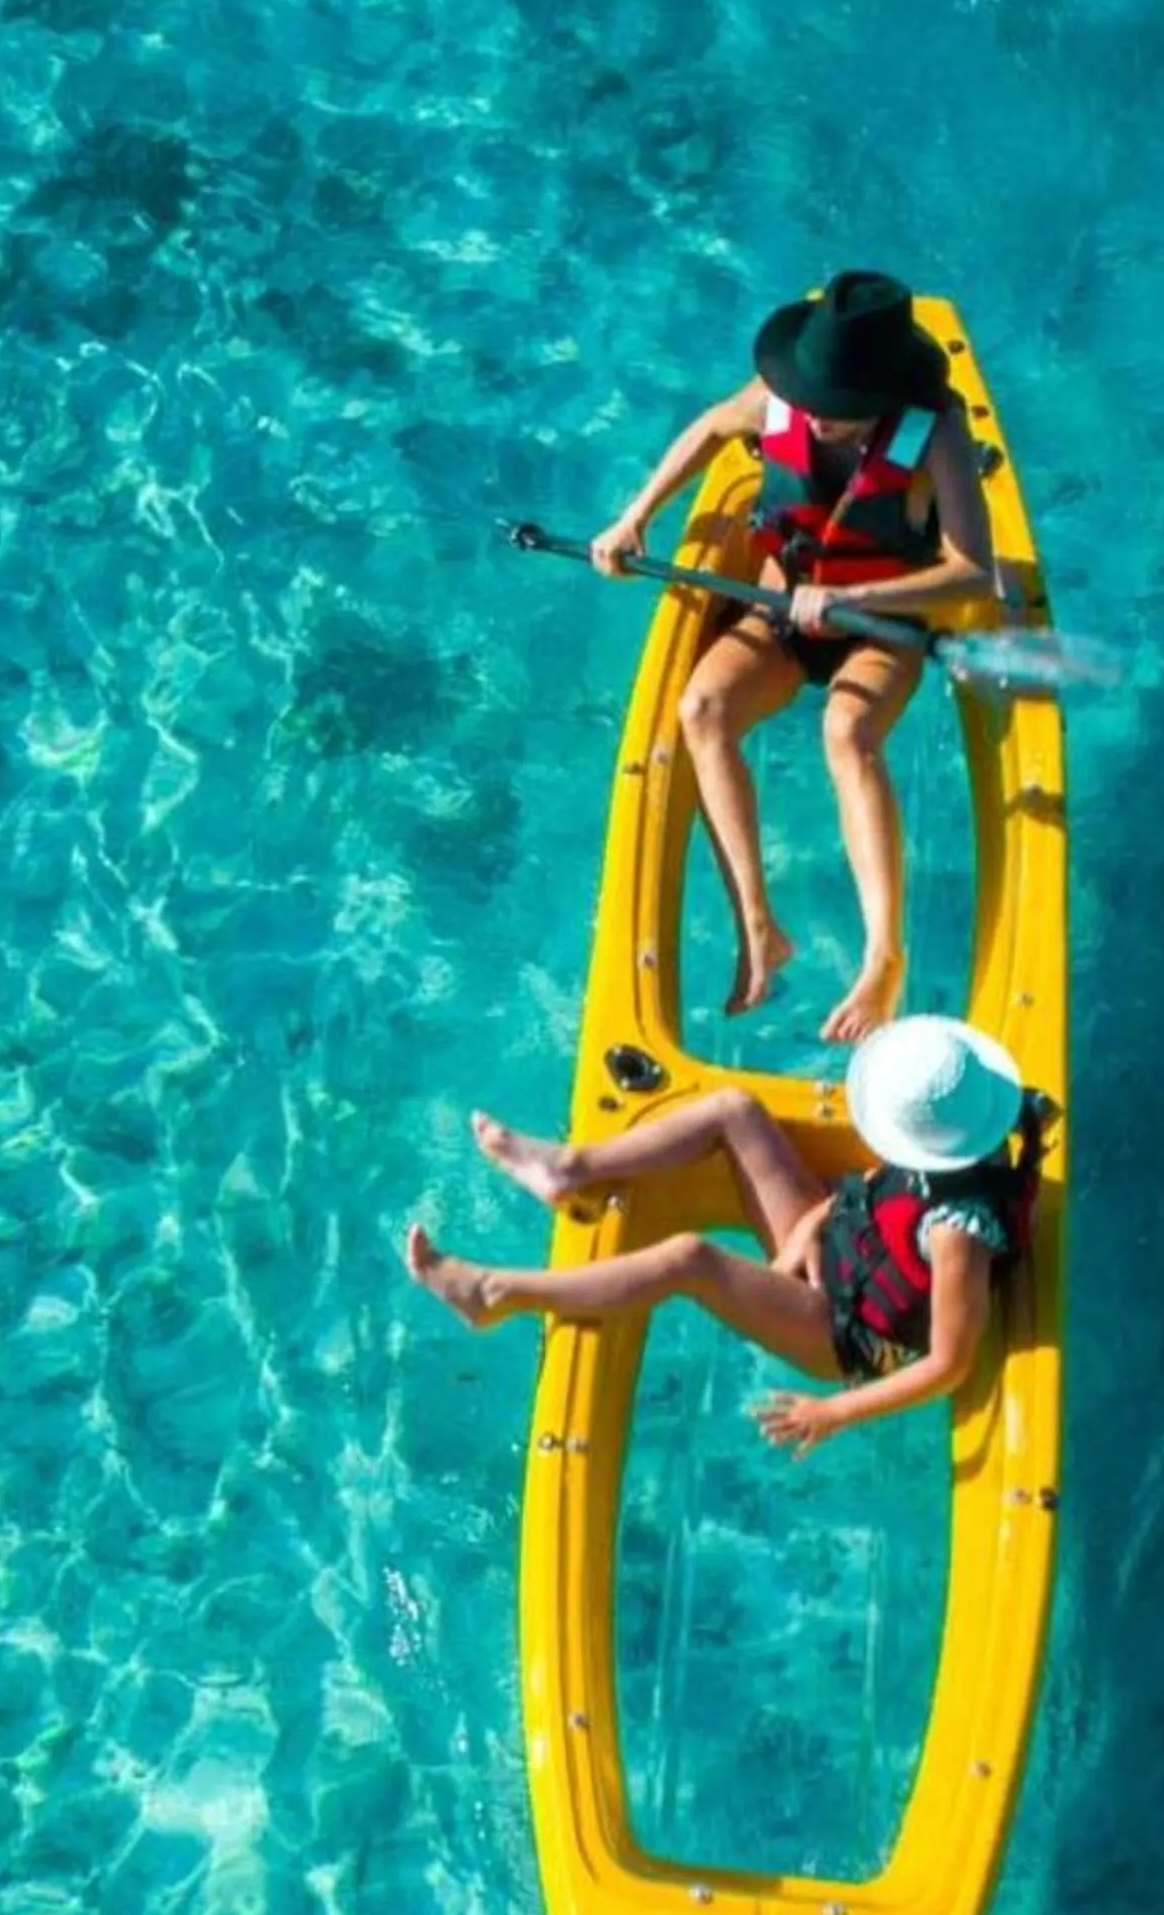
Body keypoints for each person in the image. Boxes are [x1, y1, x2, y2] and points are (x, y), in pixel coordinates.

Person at [591, 270, 997, 1044]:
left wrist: (856, 598)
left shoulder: (936, 434)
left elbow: (974, 570)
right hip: (782, 613)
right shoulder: (786, 399)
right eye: (810, 400)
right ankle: (759, 925)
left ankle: (883, 958)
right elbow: (712, 428)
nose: (812, 416)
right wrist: (634, 517)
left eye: (833, 409)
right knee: (702, 709)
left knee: (848, 734)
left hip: (880, 626)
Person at [401, 1017, 1047, 1454]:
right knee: (734, 1109)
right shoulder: (957, 1123)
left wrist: (832, 1413)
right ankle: (568, 1168)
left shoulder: (957, 1230)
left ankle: (496, 1294)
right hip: (842, 1249)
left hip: (847, 1331)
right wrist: (808, 1232)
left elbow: (947, 1363)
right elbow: (880, 1190)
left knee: (691, 1259)